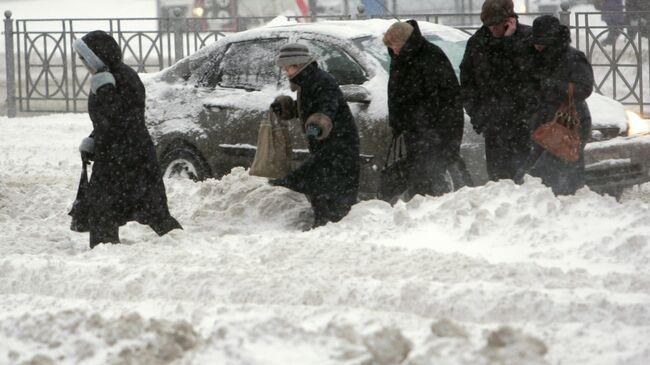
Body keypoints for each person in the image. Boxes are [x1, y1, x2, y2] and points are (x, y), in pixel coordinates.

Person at [72, 30, 182, 248]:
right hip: (117, 153)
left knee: (148, 207)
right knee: (109, 208)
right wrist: (93, 139)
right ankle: (106, 248)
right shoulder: (108, 77)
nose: (82, 63)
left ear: (97, 56)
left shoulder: (121, 78)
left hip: (129, 155)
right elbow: (106, 119)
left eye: (84, 58)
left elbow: (122, 117)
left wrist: (105, 89)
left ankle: (179, 244)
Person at [268, 43, 360, 228]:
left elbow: (327, 108)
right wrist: (287, 108)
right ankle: (323, 226)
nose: (286, 72)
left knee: (328, 187)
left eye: (288, 67)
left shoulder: (321, 81)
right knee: (321, 188)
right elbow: (309, 108)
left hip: (339, 145)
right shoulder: (307, 81)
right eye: (284, 68)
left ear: (299, 65)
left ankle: (335, 228)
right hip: (326, 145)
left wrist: (316, 127)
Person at [383, 20, 464, 199]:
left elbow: (446, 100)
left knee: (429, 179)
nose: (393, 51)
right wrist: (398, 123)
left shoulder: (431, 57)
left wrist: (435, 131)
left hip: (432, 132)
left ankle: (429, 211)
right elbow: (397, 94)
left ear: (405, 42)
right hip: (414, 132)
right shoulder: (401, 58)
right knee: (418, 178)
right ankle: (419, 206)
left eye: (395, 45)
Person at [460, 0, 537, 182]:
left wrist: (508, 43)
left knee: (526, 179)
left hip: (524, 123)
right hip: (494, 124)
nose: (493, 29)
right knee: (498, 180)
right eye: (489, 25)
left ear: (510, 20)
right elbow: (468, 83)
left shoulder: (528, 38)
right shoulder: (477, 43)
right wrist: (478, 116)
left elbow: (530, 74)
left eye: (496, 25)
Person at [523, 15, 594, 195]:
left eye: (542, 42)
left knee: (550, 172)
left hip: (569, 121)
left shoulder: (573, 57)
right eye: (536, 41)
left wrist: (552, 85)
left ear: (553, 40)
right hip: (545, 121)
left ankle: (565, 205)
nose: (537, 46)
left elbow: (584, 88)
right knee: (542, 172)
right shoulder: (535, 56)